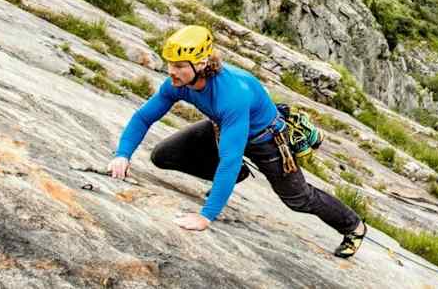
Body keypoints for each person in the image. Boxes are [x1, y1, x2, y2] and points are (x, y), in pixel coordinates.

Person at [108, 24, 367, 257]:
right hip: (225, 126)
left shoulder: (231, 95)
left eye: (179, 66)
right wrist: (123, 154)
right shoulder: (177, 84)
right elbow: (144, 117)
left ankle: (354, 226)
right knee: (163, 156)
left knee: (298, 198)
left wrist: (205, 216)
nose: (171, 72)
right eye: (170, 64)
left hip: (266, 140)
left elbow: (229, 160)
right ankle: (236, 178)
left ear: (201, 64)